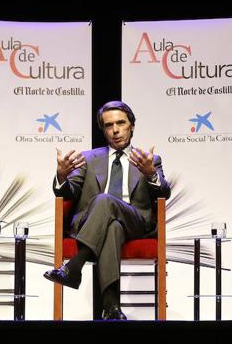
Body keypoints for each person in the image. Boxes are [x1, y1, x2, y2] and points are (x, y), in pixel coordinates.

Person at [43, 101, 171, 320]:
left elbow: (163, 193)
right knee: (112, 226)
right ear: (103, 129)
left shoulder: (149, 160)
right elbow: (69, 192)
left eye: (121, 123)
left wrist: (150, 174)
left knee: (104, 200)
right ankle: (111, 308)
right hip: (96, 223)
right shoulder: (87, 159)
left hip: (135, 222)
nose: (115, 130)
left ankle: (74, 266)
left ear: (132, 126)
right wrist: (62, 177)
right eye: (109, 125)